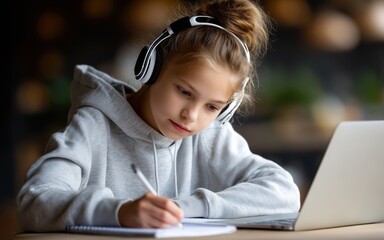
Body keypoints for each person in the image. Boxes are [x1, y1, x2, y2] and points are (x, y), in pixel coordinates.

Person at [17, 0, 300, 231]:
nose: (191, 115)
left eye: (212, 107)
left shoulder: (209, 134)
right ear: (151, 68)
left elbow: (285, 193)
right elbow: (34, 202)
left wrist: (186, 207)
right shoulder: (94, 126)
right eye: (184, 91)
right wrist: (119, 212)